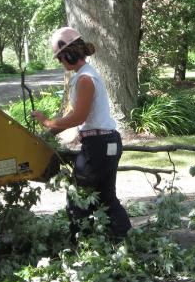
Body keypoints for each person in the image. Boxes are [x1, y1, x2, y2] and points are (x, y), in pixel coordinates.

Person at [31, 27, 132, 241]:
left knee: (77, 196)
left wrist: (46, 121)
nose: (60, 62)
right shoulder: (88, 75)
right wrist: (50, 132)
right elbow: (80, 116)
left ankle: (82, 241)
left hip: (99, 145)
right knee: (105, 196)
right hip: (107, 142)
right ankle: (122, 237)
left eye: (60, 58)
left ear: (69, 54)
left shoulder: (85, 79)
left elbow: (78, 117)